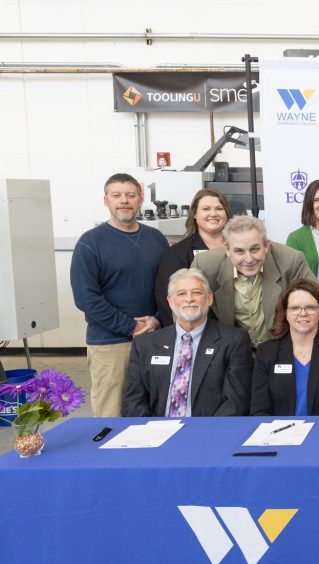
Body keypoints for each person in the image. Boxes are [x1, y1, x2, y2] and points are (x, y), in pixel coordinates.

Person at [70, 173, 168, 417]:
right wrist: (129, 326)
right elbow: (86, 297)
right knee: (111, 412)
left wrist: (156, 319)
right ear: (106, 201)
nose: (124, 200)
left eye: (130, 195)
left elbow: (168, 287)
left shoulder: (156, 239)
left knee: (154, 408)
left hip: (153, 338)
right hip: (110, 343)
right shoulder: (90, 242)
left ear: (140, 199)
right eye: (117, 195)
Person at [123, 268, 252, 417]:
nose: (189, 299)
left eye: (196, 292)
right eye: (181, 293)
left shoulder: (233, 341)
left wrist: (202, 434)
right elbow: (133, 401)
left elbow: (235, 403)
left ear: (209, 298)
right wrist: (154, 431)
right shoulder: (145, 345)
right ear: (170, 301)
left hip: (207, 433)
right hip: (156, 432)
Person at [195, 215, 314, 348]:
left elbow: (316, 303)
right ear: (227, 250)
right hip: (232, 349)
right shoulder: (205, 265)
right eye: (239, 251)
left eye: (254, 249)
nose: (249, 259)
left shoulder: (291, 260)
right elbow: (186, 306)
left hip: (282, 346)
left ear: (266, 246)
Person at [250, 279, 319, 416]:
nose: (303, 313)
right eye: (295, 308)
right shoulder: (266, 352)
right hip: (280, 434)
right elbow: (259, 410)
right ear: (285, 313)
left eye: (310, 307)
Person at [154, 189, 231, 327]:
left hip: (239, 331)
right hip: (197, 333)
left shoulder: (240, 248)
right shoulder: (177, 254)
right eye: (206, 209)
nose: (213, 214)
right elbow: (166, 301)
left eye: (219, 208)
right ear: (194, 214)